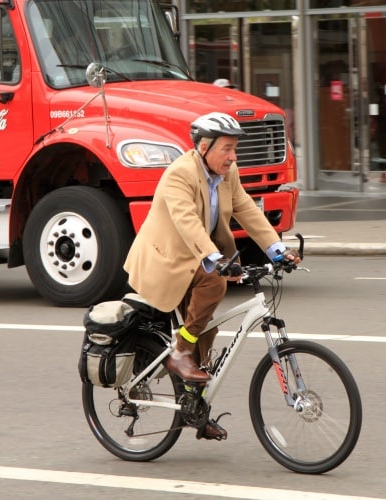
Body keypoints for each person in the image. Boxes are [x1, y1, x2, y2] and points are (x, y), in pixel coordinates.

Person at [123, 112, 301, 440]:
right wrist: (216, 259)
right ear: (204, 147)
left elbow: (247, 209)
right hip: (168, 262)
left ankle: (195, 412)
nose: (234, 157)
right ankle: (177, 353)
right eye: (227, 149)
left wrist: (277, 250)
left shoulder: (226, 173)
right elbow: (187, 220)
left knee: (206, 337)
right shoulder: (180, 174)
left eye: (235, 149)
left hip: (195, 259)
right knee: (214, 285)